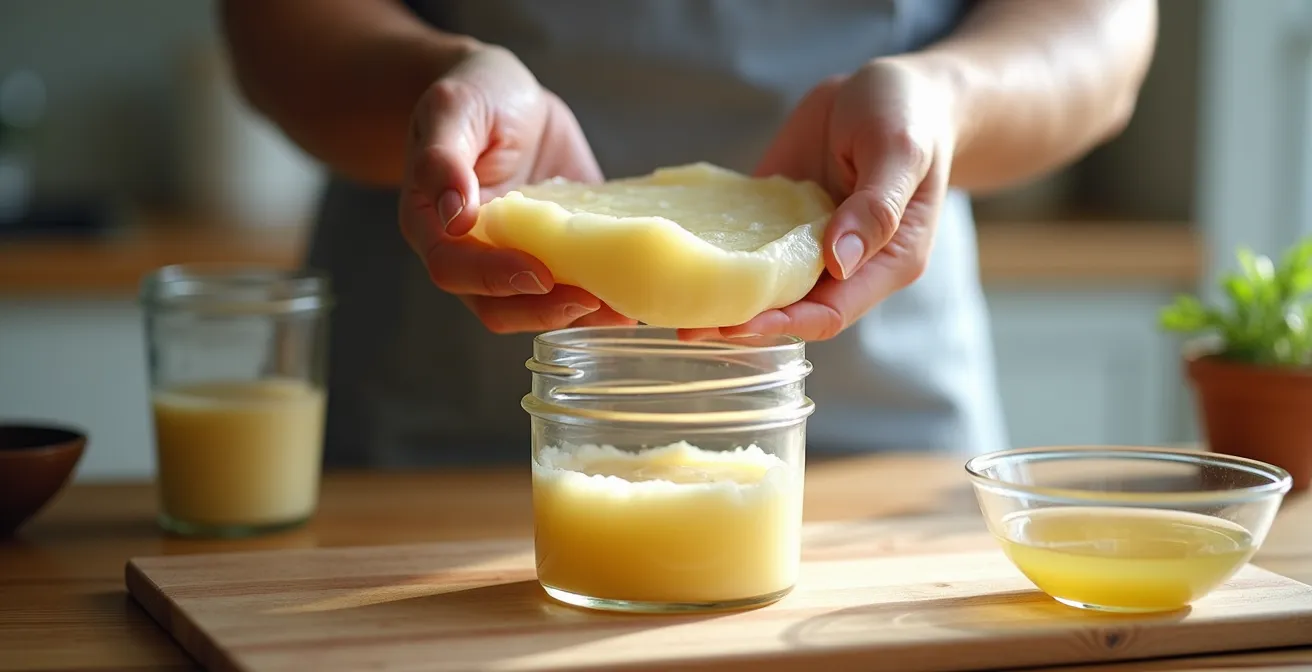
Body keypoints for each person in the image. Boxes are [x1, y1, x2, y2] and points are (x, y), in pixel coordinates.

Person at [218, 0, 1157, 468]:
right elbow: (271, 24)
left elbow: (1101, 29)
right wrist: (438, 84)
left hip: (867, 437)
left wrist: (948, 102)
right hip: (437, 430)